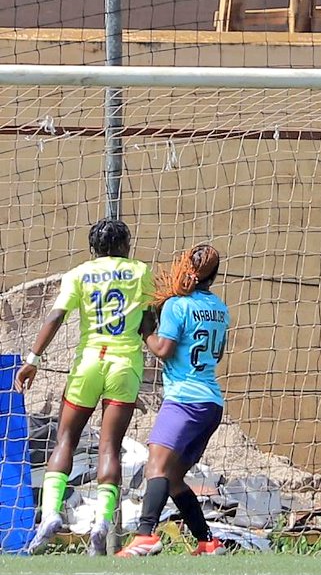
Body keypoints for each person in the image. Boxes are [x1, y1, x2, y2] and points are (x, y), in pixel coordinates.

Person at [16, 219, 153, 556]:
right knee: (110, 448)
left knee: (65, 439)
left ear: (93, 248)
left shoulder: (79, 274)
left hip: (88, 363)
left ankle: (50, 514)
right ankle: (103, 523)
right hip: (125, 366)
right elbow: (148, 324)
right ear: (126, 246)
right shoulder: (141, 272)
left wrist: (33, 359)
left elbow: (56, 317)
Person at [117, 245, 229, 557]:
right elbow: (218, 353)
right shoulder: (221, 308)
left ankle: (145, 535)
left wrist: (146, 331)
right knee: (174, 477)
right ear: (214, 277)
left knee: (156, 465)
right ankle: (208, 542)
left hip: (184, 401)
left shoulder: (177, 306)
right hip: (211, 403)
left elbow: (164, 350)